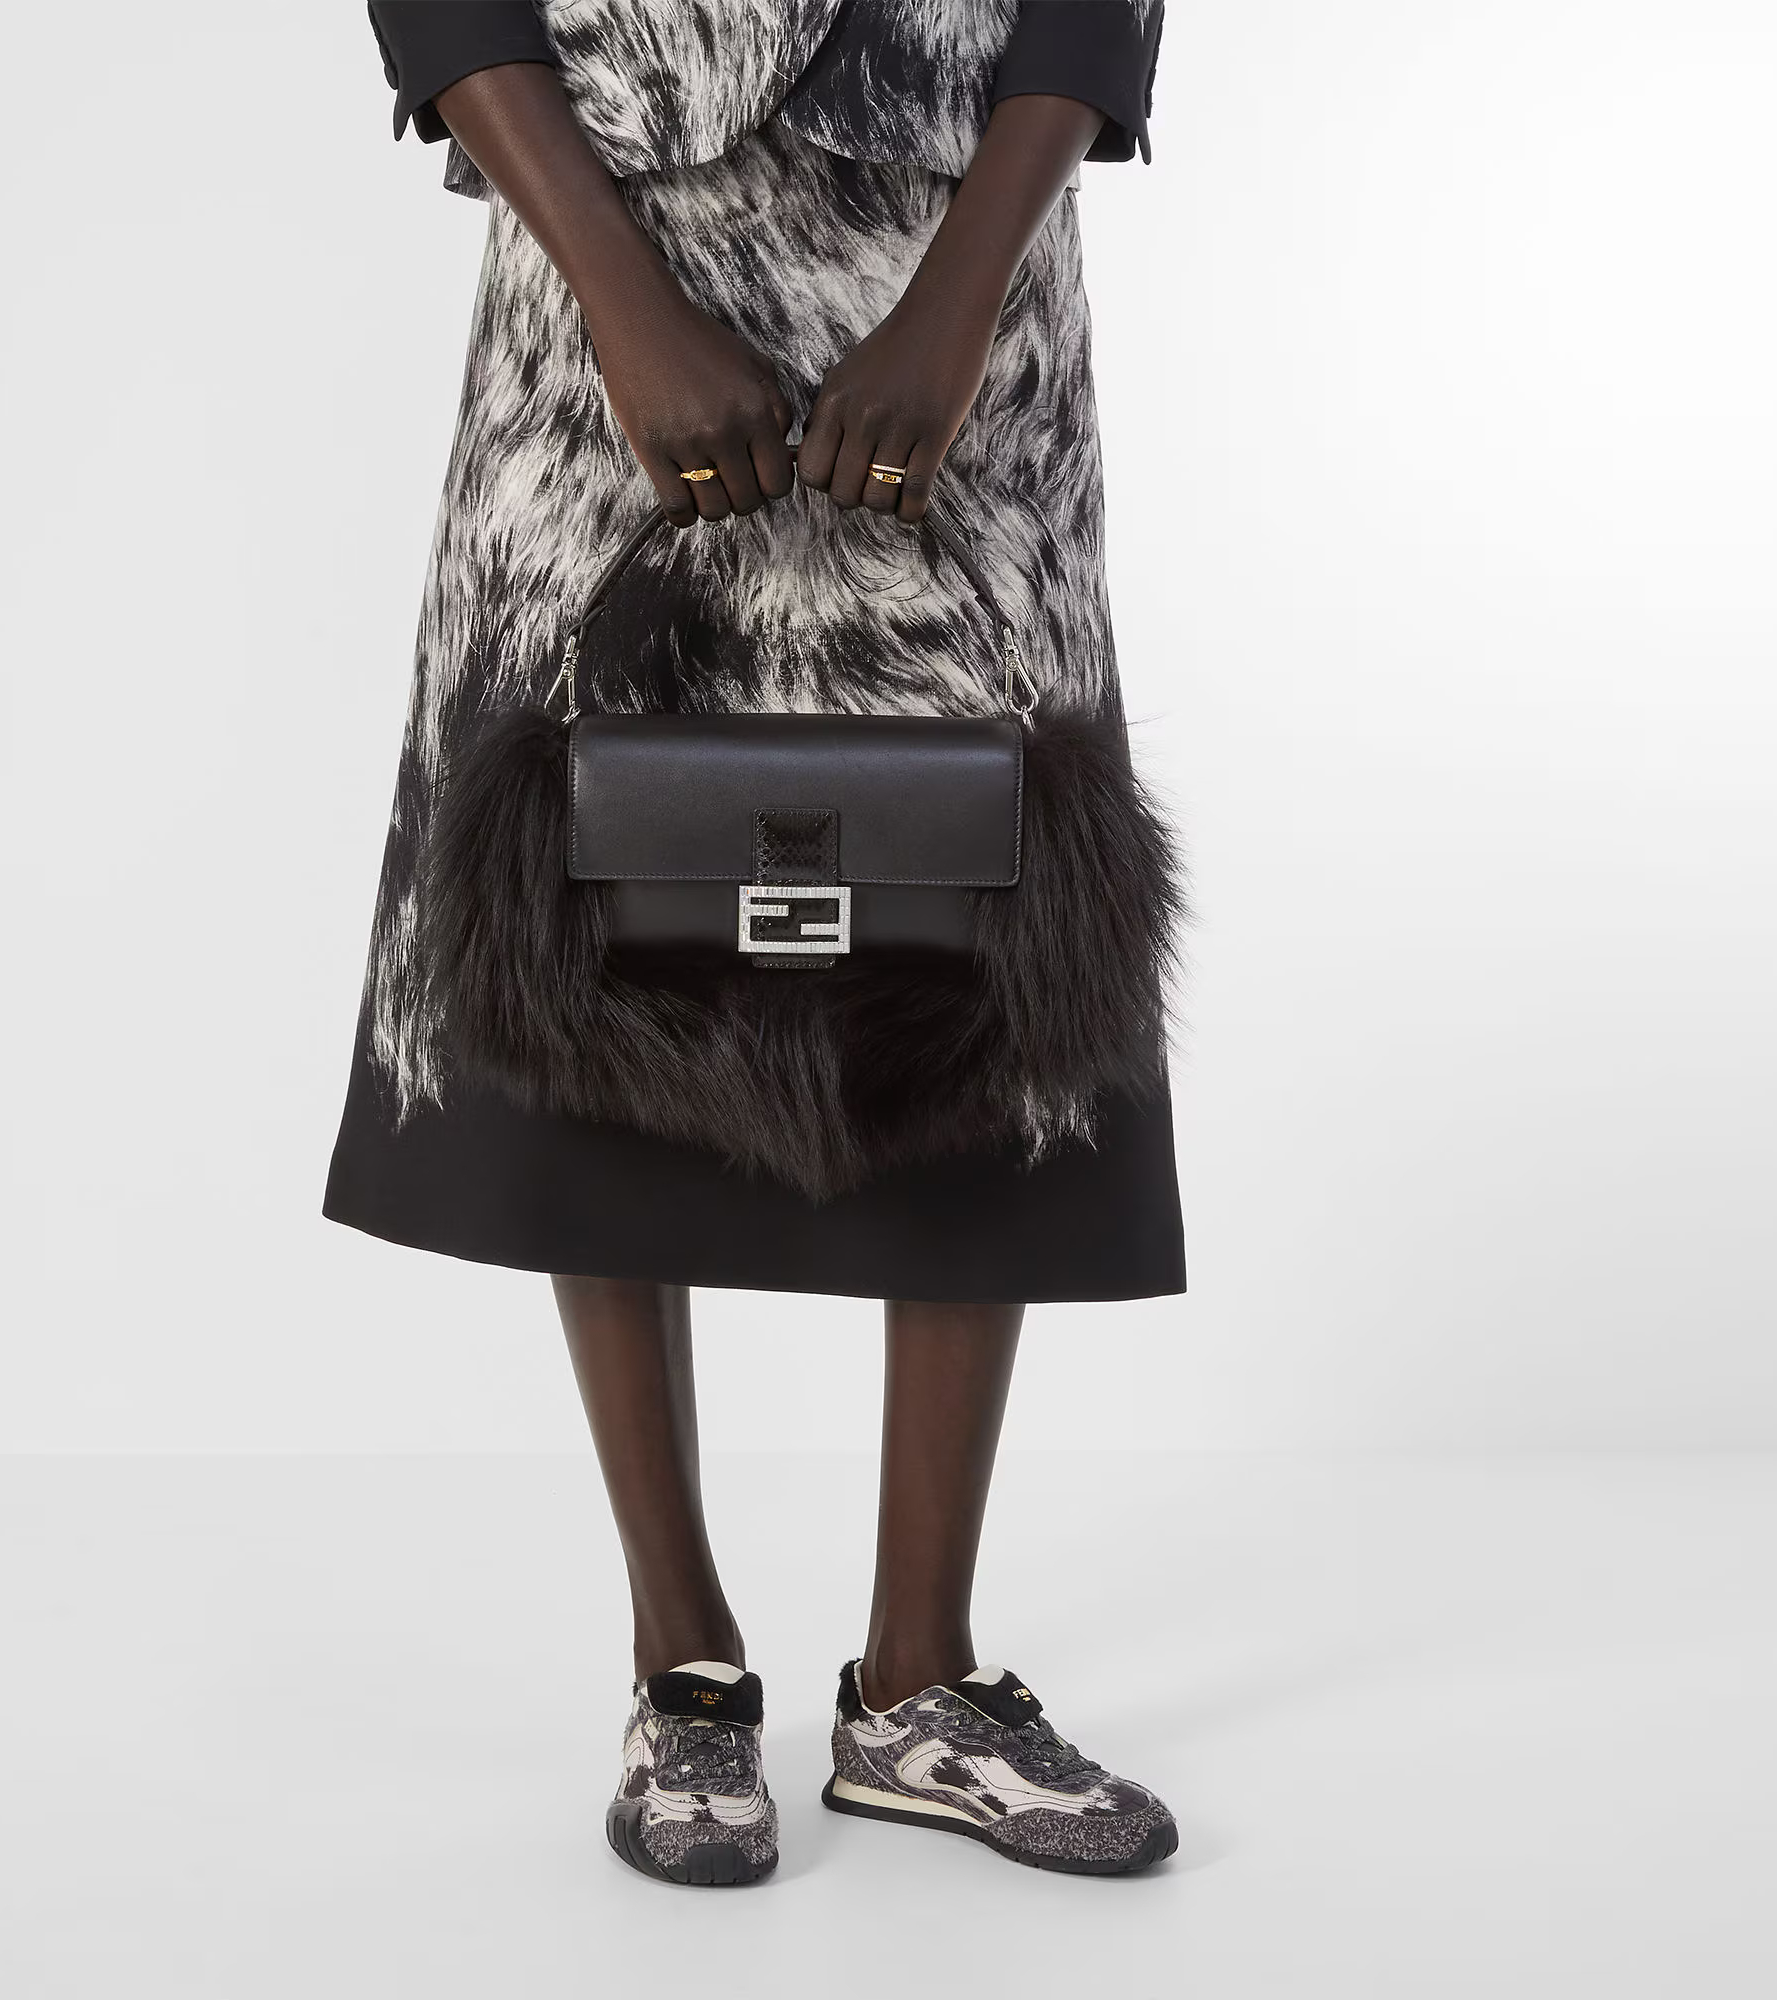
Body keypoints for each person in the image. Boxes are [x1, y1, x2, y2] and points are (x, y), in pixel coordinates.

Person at [327, 0, 1182, 1884]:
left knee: (986, 922)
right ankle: (683, 1664)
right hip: (600, 270)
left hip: (963, 271)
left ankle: (920, 1687)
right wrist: (621, 300)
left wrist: (964, 302)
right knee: (592, 903)